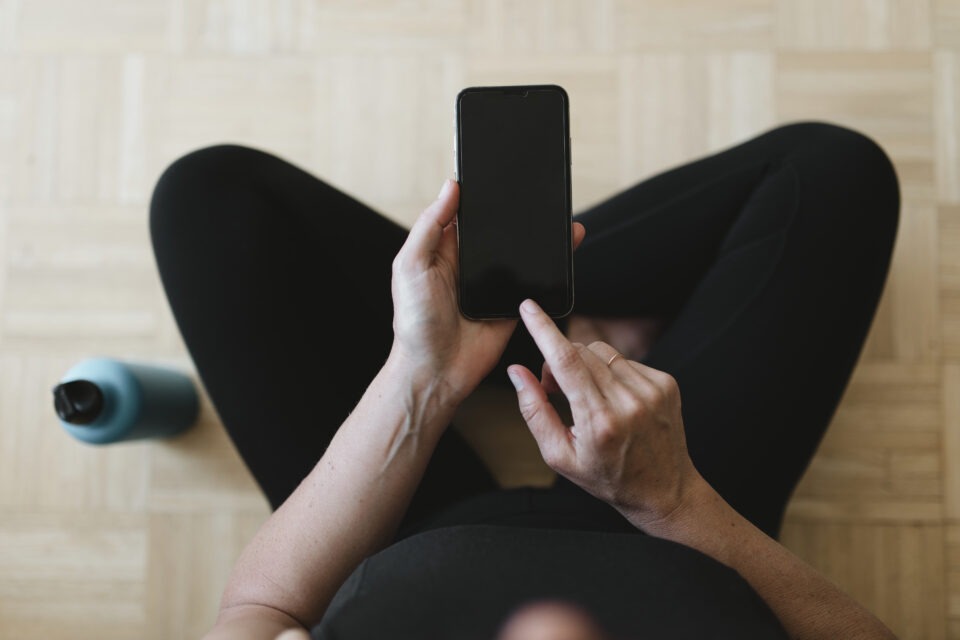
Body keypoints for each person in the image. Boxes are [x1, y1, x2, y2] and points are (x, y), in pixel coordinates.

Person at [149, 121, 901, 640]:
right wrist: (676, 500)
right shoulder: (677, 501)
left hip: (389, 520)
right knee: (831, 172)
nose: (549, 628)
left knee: (209, 197)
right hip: (685, 513)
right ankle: (547, 320)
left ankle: (504, 326)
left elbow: (257, 608)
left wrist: (422, 377)